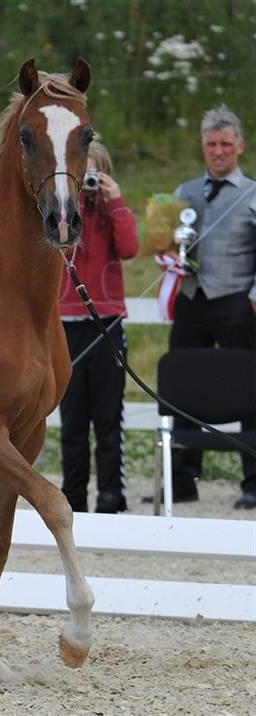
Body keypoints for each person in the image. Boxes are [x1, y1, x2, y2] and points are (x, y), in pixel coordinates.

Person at [164, 105, 256, 509]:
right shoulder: (183, 193)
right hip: (191, 301)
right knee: (182, 388)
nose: (217, 151)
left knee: (250, 390)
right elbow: (166, 243)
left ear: (240, 146)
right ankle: (182, 479)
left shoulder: (254, 193)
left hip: (238, 303)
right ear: (202, 147)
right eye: (210, 144)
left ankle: (254, 481)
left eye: (225, 144)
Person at [58, 139, 139, 513]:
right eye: (81, 173)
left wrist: (115, 201)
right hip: (65, 326)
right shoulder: (61, 209)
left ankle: (111, 496)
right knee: (72, 420)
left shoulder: (111, 211)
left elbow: (130, 248)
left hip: (105, 323)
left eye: (94, 174)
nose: (87, 181)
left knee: (108, 416)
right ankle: (73, 498)